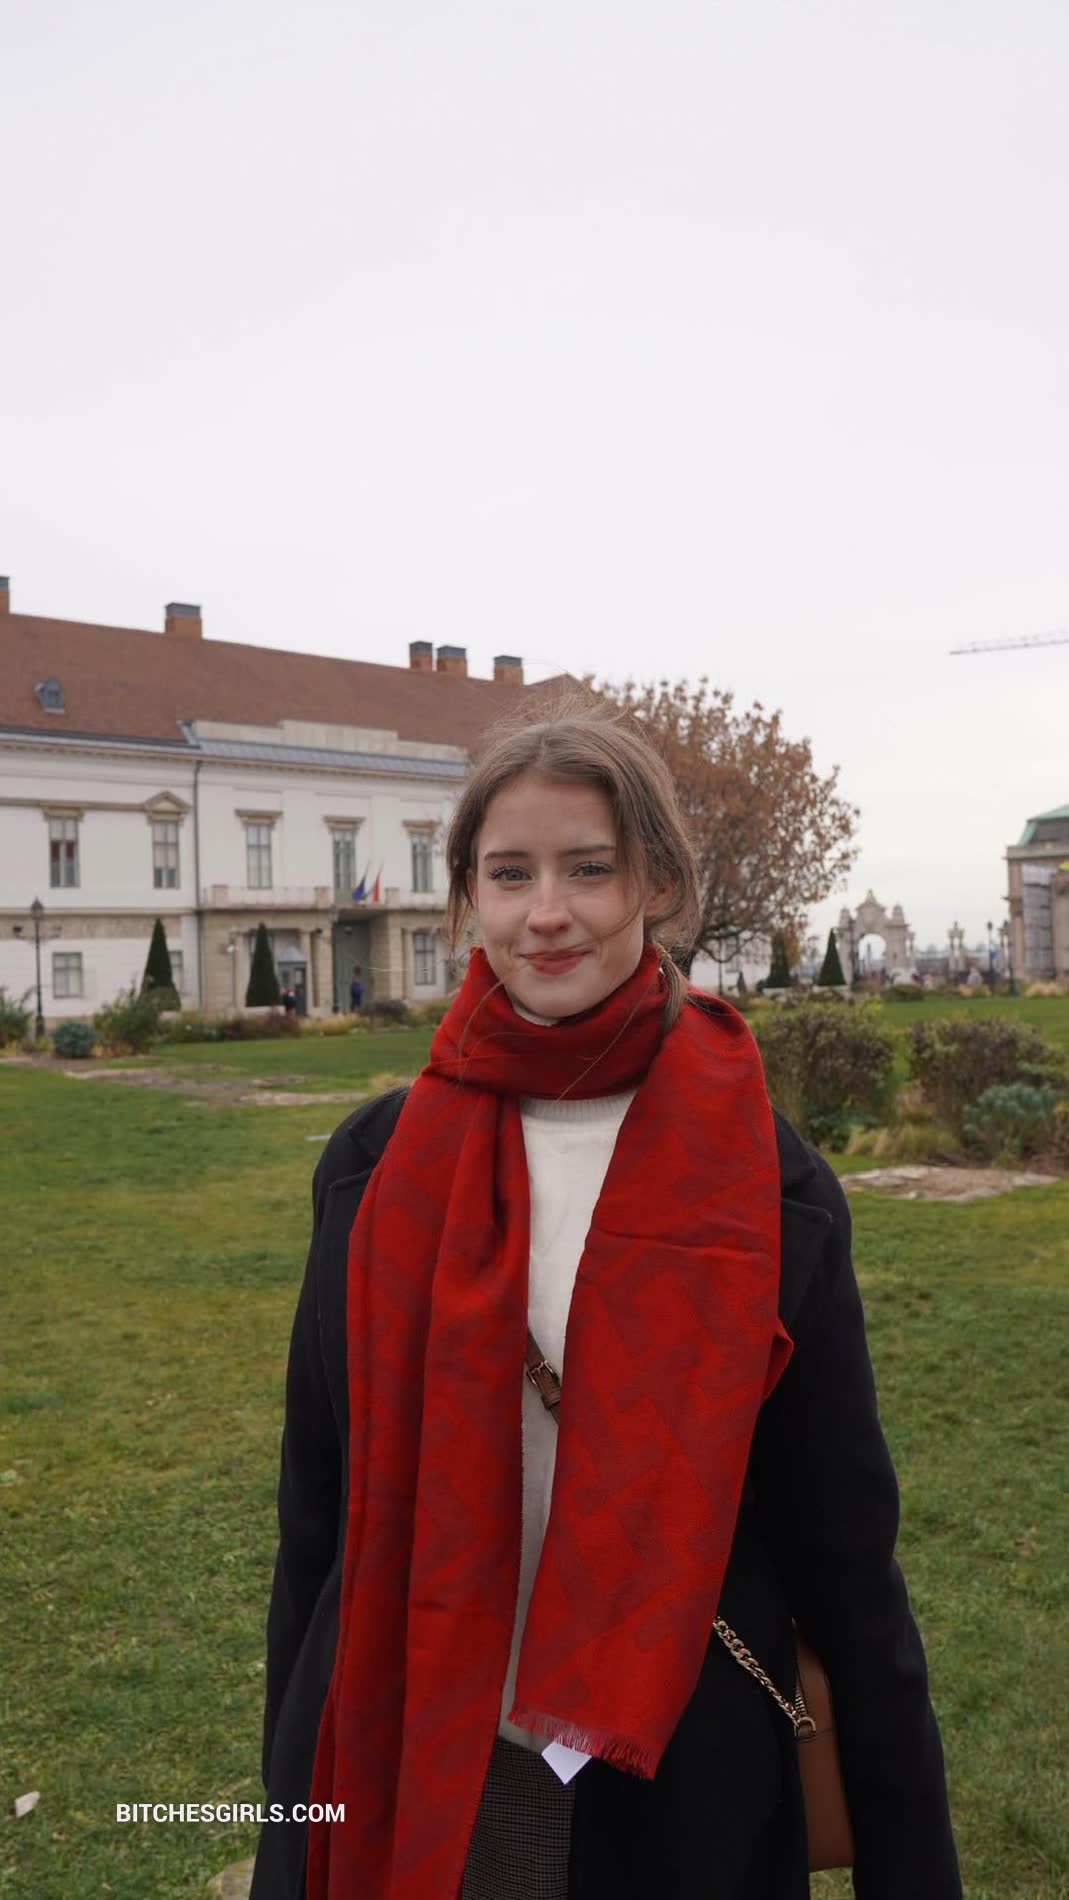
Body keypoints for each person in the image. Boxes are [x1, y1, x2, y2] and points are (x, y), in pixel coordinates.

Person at [251, 690, 961, 1900]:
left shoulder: (768, 1182)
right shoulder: (375, 1167)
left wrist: (914, 1871)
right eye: (509, 872)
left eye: (589, 867)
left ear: (657, 882)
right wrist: (292, 1812)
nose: (547, 912)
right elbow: (317, 1523)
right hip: (415, 1744)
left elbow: (847, 1561)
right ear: (465, 893)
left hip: (672, 1774)